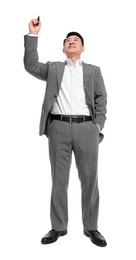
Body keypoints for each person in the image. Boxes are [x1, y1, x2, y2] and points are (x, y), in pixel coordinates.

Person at [24, 18, 107, 247]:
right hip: (58, 128)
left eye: (76, 40)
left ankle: (91, 227)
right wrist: (32, 35)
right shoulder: (53, 68)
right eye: (68, 40)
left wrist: (97, 125)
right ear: (63, 48)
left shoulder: (94, 71)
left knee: (90, 180)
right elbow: (31, 66)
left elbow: (101, 98)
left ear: (82, 48)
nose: (72, 42)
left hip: (86, 129)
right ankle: (58, 227)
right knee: (58, 180)